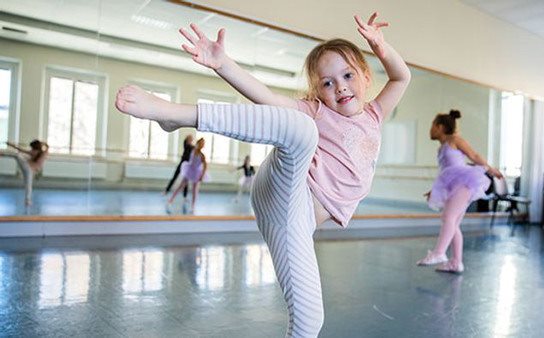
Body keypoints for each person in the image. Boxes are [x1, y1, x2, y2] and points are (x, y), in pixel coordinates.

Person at [115, 12, 410, 337]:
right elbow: (267, 99)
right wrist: (223, 64)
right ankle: (174, 114)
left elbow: (401, 77)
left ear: (366, 76)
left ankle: (174, 116)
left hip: (293, 223)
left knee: (310, 322)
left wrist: (381, 47)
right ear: (318, 91)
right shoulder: (317, 111)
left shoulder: (374, 114)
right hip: (289, 187)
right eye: (327, 82)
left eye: (347, 75)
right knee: (299, 126)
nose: (339, 86)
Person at [418, 109, 502, 273]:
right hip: (453, 185)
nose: (431, 129)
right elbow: (445, 172)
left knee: (448, 217)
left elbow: (474, 156)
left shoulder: (454, 139)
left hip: (464, 182)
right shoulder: (441, 148)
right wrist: (434, 190)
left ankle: (439, 253)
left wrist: (492, 170)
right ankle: (456, 263)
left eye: (433, 125)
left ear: (440, 127)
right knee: (453, 224)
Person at [1, 140, 49, 206]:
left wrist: (10, 144)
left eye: (32, 147)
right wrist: (43, 143)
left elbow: (20, 149)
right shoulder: (43, 152)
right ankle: (28, 201)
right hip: (28, 168)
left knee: (18, 155)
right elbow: (47, 146)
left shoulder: (36, 152)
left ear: (34, 147)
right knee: (28, 185)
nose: (31, 148)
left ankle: (28, 201)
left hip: (29, 169)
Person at [167, 138, 207, 213]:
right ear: (198, 143)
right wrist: (188, 140)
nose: (202, 145)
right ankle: (171, 200)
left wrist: (202, 175)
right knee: (181, 186)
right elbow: (187, 144)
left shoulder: (202, 156)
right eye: (201, 143)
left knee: (195, 190)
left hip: (197, 172)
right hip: (189, 170)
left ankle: (193, 206)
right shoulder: (192, 149)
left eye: (203, 144)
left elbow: (205, 166)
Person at [164, 134, 195, 198]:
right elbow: (189, 145)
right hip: (182, 163)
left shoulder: (192, 147)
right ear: (187, 139)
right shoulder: (186, 144)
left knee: (186, 180)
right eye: (189, 138)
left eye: (191, 138)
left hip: (187, 165)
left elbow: (194, 149)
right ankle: (166, 191)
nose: (190, 139)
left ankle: (185, 196)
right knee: (174, 177)